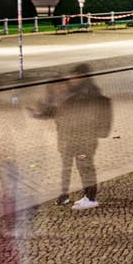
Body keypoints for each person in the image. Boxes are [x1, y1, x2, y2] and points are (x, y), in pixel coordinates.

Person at [30, 63, 108, 209]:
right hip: (68, 138)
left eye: (76, 75)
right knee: (71, 167)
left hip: (84, 138)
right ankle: (70, 195)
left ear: (83, 77)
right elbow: (58, 112)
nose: (72, 78)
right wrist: (41, 113)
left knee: (85, 166)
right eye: (72, 76)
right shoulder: (73, 91)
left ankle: (91, 198)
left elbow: (86, 115)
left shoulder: (86, 92)